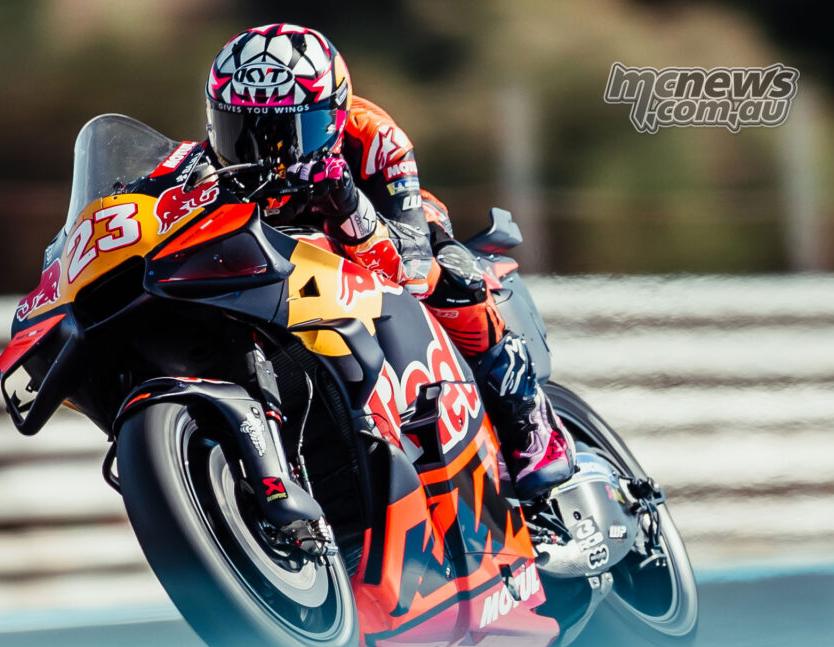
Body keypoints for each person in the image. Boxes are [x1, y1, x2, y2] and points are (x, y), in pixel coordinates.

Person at [203, 23, 575, 499]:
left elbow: (410, 265)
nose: (269, 155)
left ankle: (527, 420)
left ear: (334, 116)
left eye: (292, 131)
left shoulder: (376, 135)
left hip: (389, 225)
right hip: (288, 262)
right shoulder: (205, 161)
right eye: (244, 133)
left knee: (453, 277)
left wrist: (345, 202)